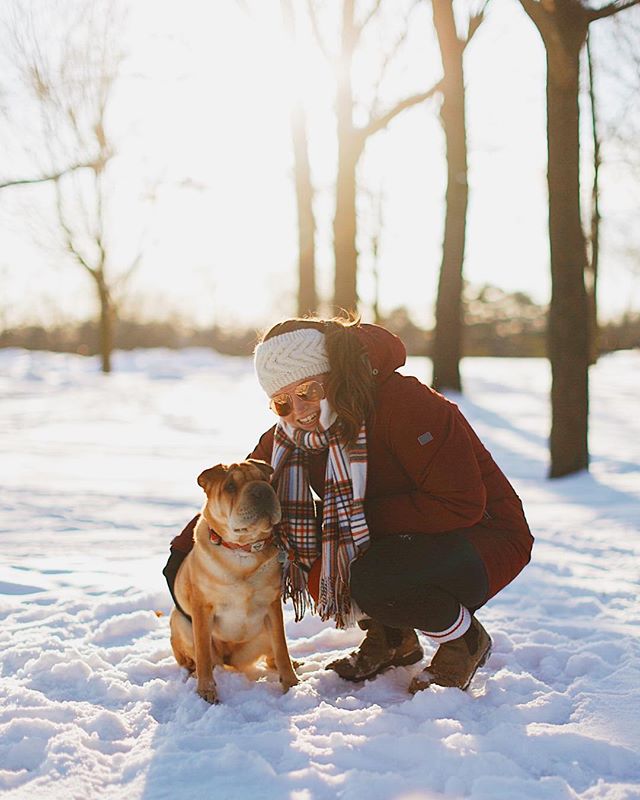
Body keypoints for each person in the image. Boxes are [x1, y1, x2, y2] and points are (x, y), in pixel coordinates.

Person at [164, 316, 533, 692]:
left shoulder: (406, 403)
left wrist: (350, 519)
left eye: (308, 390)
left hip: (483, 535)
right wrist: (183, 550)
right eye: (282, 402)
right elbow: (241, 488)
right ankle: (393, 639)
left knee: (370, 574)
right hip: (407, 537)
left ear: (333, 375)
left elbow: (461, 503)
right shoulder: (294, 436)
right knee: (326, 559)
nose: (299, 411)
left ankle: (464, 640)